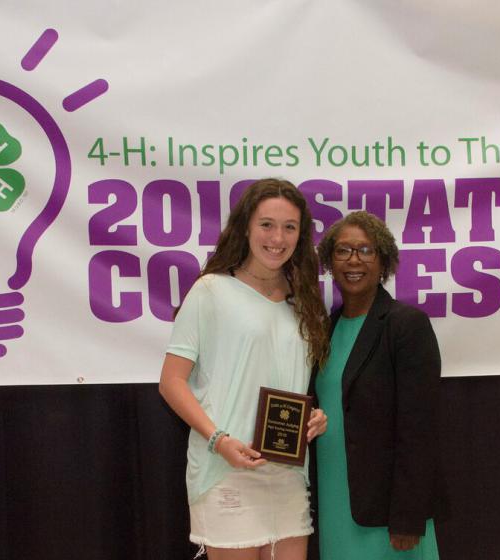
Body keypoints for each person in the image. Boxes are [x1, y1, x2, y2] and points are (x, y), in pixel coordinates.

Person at [159, 178, 331, 560]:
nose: (277, 237)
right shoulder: (210, 292)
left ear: (301, 236)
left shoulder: (303, 299)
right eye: (266, 224)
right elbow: (171, 382)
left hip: (286, 472)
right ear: (246, 227)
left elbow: (292, 380)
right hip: (226, 469)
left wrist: (314, 417)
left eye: (290, 227)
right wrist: (218, 440)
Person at [312, 211, 442, 560]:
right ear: (329, 262)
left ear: (383, 260)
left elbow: (421, 429)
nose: (354, 260)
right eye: (343, 251)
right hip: (335, 498)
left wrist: (408, 515)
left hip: (388, 513)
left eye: (366, 251)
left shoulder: (406, 325)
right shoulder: (326, 329)